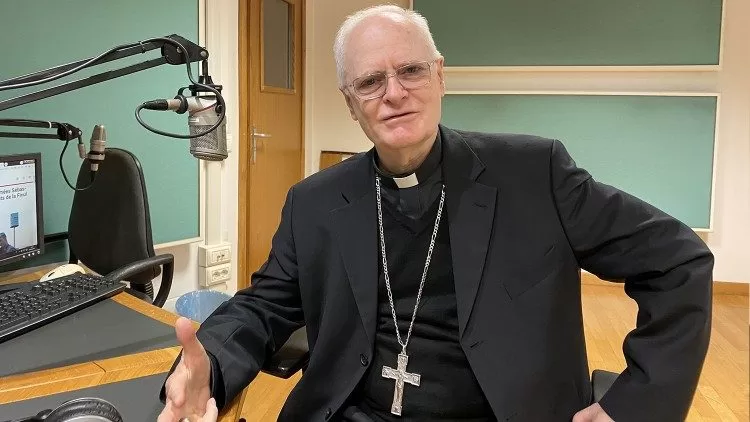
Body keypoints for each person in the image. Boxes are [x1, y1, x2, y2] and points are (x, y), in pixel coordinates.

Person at [159, 5, 713, 422]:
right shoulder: (315, 200)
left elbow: (678, 261)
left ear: (440, 75)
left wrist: (634, 405)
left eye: (411, 70)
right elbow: (264, 305)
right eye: (370, 82)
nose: (394, 93)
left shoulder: (534, 172)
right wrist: (208, 362)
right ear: (350, 103)